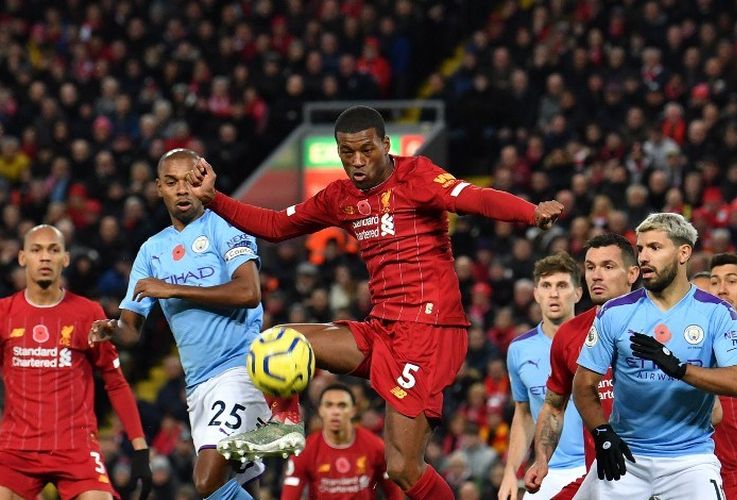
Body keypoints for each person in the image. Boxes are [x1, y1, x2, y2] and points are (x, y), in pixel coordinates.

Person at [186, 105, 564, 498]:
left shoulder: (418, 176)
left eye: (367, 150)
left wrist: (531, 212)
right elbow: (277, 226)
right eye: (347, 153)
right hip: (383, 327)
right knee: (281, 339)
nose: (358, 161)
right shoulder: (341, 196)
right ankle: (284, 425)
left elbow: (477, 197)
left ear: (386, 145)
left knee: (402, 467)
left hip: (430, 332)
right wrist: (213, 199)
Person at [89, 148, 271, 500]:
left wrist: (171, 288)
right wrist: (112, 328)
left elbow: (249, 291)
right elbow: (131, 330)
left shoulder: (226, 225)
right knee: (242, 483)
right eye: (172, 182)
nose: (182, 190)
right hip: (198, 384)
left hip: (241, 368)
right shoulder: (151, 250)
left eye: (191, 180)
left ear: (203, 181)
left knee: (206, 480)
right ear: (159, 188)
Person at [573, 213, 737, 499]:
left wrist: (680, 369)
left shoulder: (717, 313)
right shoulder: (614, 312)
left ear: (683, 253)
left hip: (689, 460)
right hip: (626, 455)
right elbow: (583, 384)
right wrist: (602, 433)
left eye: (655, 248)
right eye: (640, 249)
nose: (643, 257)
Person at [0, 225, 152, 499]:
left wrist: (140, 448)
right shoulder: (3, 314)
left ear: (65, 259)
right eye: (37, 250)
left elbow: (114, 382)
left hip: (75, 446)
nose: (45, 257)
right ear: (22, 258)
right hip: (16, 448)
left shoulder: (87, 313)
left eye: (53, 250)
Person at [522, 234, 640, 499]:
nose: (596, 276)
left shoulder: (660, 324)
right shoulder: (570, 334)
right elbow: (554, 406)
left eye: (608, 267)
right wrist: (542, 460)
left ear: (632, 273)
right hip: (603, 474)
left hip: (659, 471)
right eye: (590, 267)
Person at [498, 252, 585, 500]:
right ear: (536, 293)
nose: (553, 294)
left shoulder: (597, 339)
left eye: (562, 285)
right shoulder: (519, 349)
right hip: (545, 471)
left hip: (594, 467)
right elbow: (523, 413)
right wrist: (510, 473)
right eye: (546, 286)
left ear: (578, 293)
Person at [281, 383, 402, 499]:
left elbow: (394, 493)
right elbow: (289, 496)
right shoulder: (306, 450)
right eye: (329, 405)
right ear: (320, 410)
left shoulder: (375, 446)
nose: (335, 412)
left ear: (353, 410)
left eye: (342, 405)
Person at [710, 253, 737, 499]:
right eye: (714, 281)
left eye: (732, 281)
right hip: (710, 481)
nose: (721, 289)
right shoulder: (701, 348)